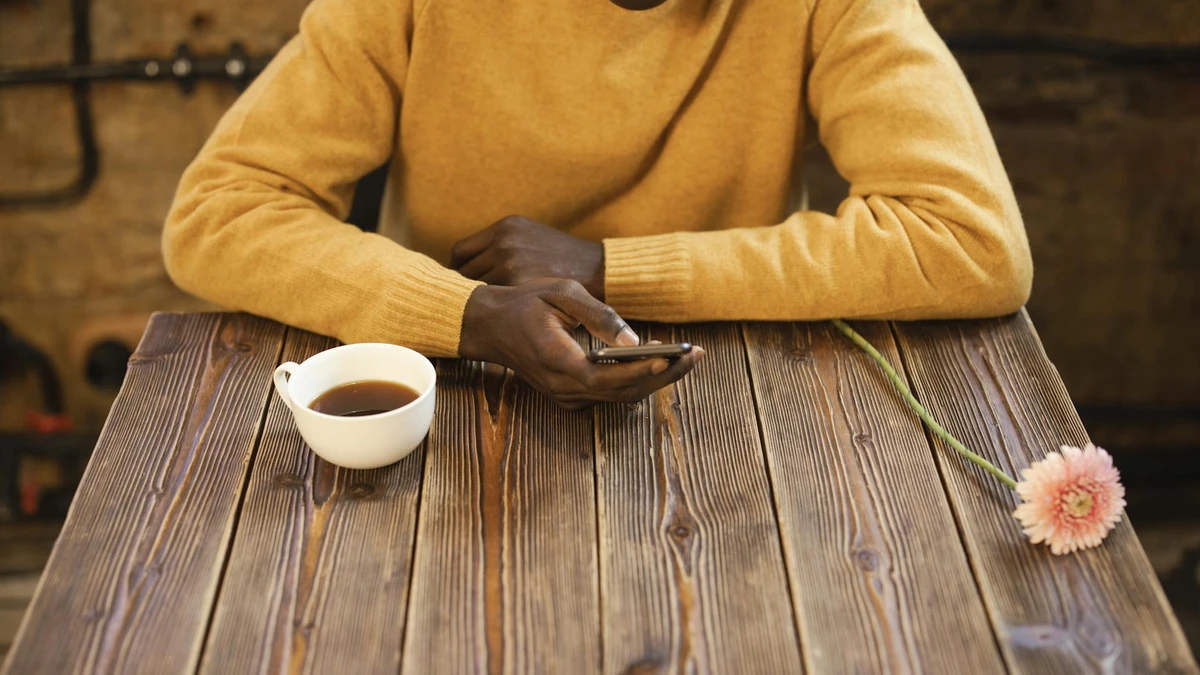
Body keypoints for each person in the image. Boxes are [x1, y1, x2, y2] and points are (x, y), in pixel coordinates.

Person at [162, 0, 1032, 409]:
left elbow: (970, 240)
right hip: (453, 391)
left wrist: (611, 268)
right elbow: (221, 211)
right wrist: (468, 313)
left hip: (751, 395)